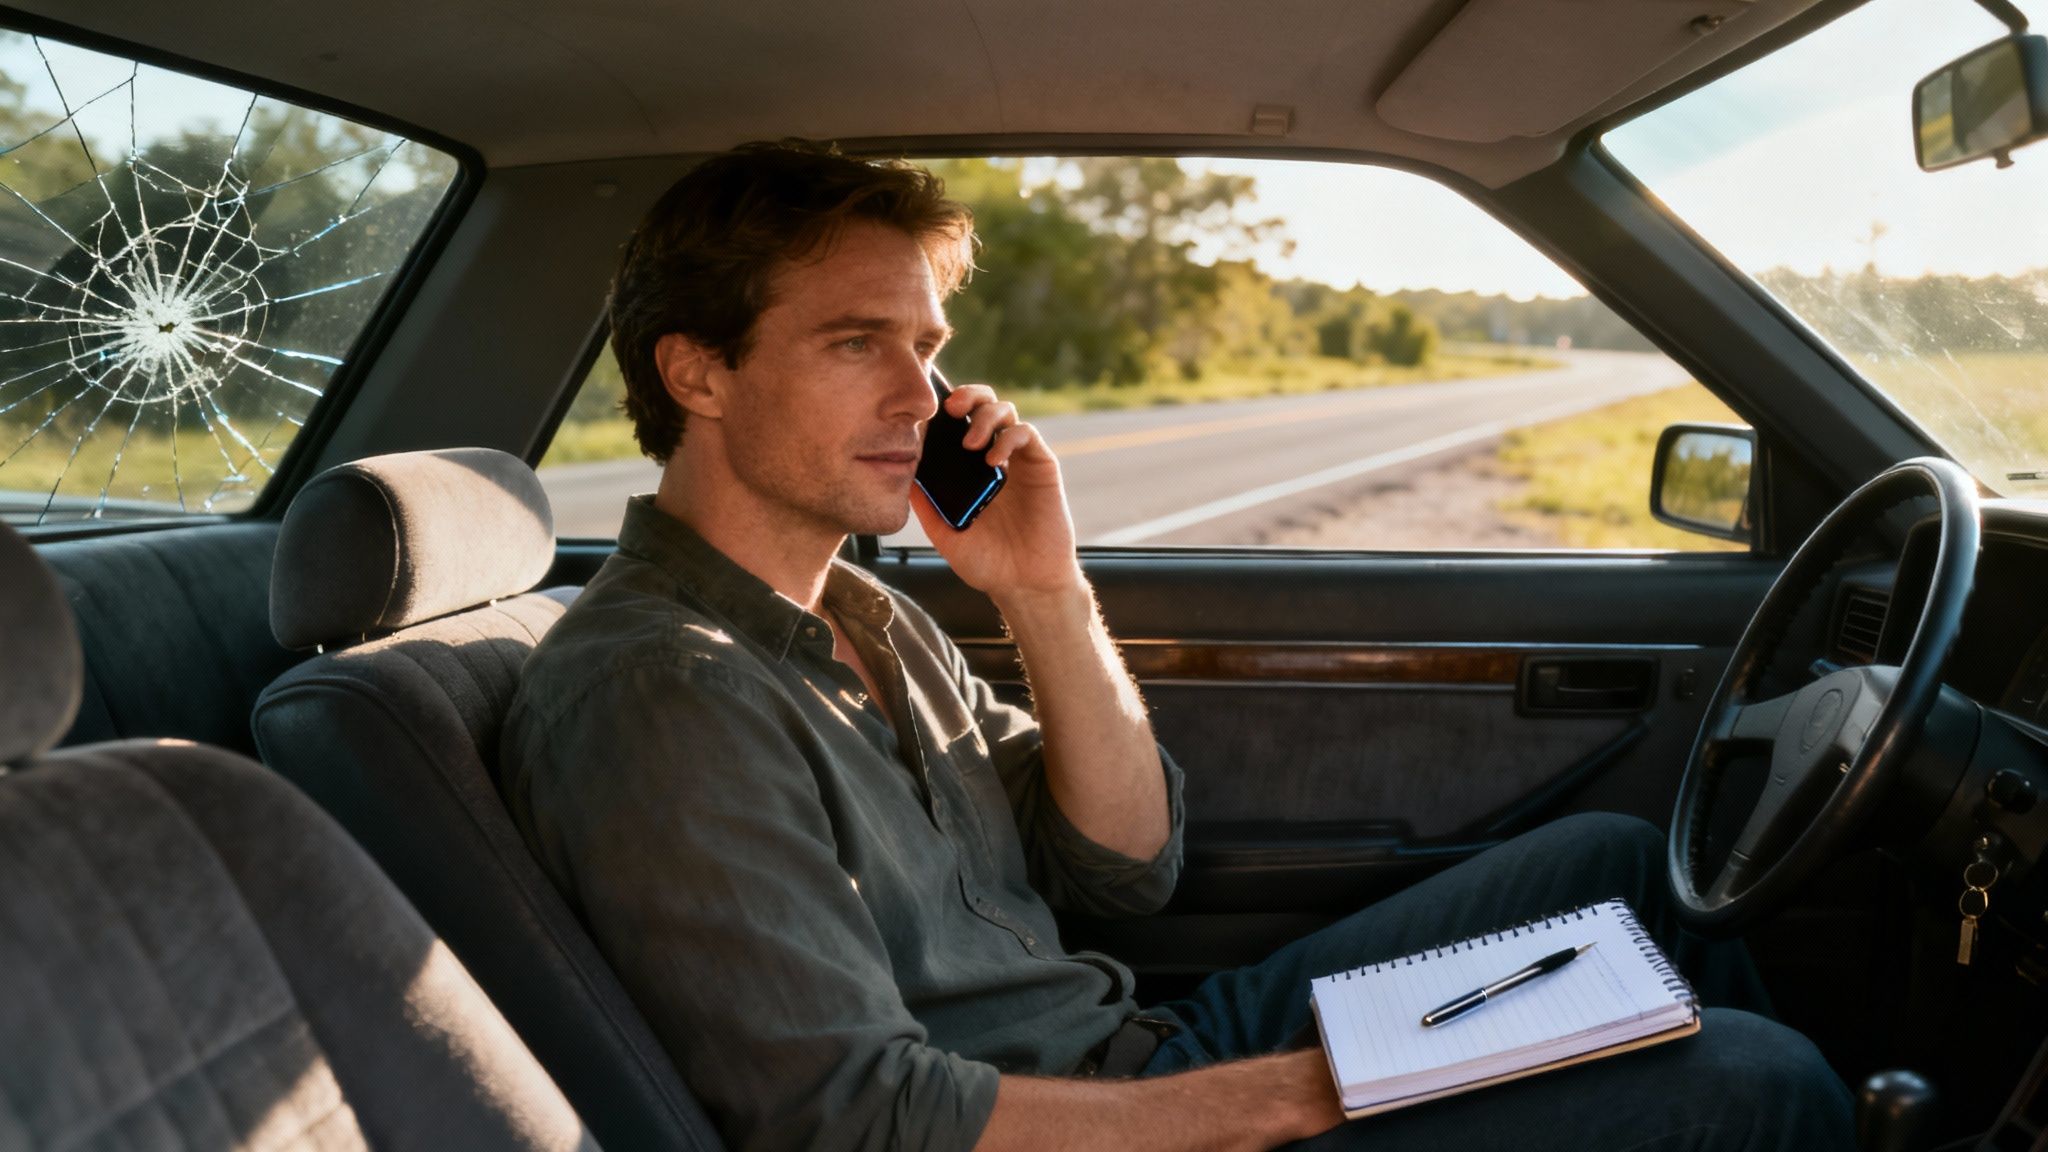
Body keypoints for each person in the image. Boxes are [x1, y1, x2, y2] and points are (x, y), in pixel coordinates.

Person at [499, 140, 1854, 1152]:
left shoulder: (869, 611)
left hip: (1143, 1055)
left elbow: (1127, 867)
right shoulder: (661, 695)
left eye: (927, 346)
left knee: (1615, 876)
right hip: (1086, 1128)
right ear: (699, 373)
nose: (923, 398)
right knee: (1755, 1081)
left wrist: (1042, 589)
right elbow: (850, 1115)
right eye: (858, 343)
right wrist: (1315, 1096)